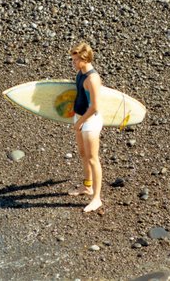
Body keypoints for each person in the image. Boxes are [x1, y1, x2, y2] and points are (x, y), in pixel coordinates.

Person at [68, 42, 104, 213]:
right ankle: (87, 187)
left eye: (75, 60)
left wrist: (80, 121)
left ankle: (97, 198)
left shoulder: (92, 78)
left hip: (90, 121)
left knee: (92, 158)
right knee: (83, 154)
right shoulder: (80, 73)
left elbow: (95, 106)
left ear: (84, 59)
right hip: (80, 116)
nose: (73, 63)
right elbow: (81, 95)